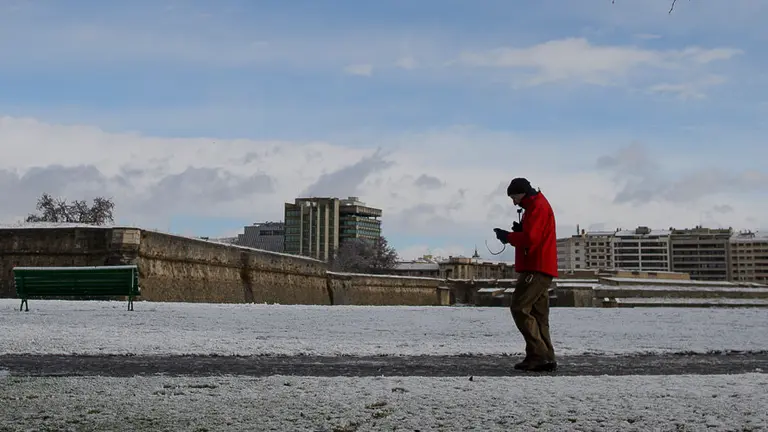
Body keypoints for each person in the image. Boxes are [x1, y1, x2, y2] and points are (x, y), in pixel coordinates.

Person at [493, 177, 558, 372]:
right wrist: (520, 231)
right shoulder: (537, 205)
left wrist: (509, 237)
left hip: (535, 267)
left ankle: (538, 355)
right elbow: (534, 234)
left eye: (514, 197)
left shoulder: (536, 207)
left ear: (521, 193)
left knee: (519, 307)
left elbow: (531, 239)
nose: (514, 202)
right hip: (543, 267)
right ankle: (545, 357)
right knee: (539, 315)